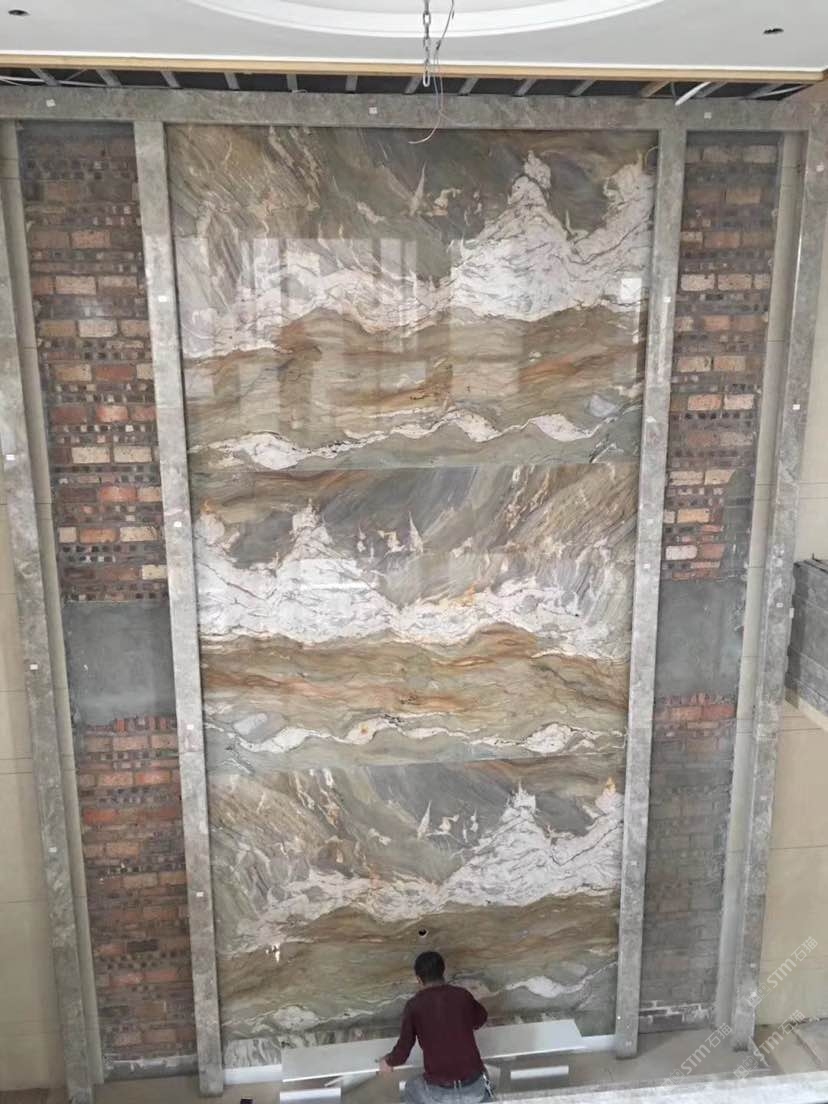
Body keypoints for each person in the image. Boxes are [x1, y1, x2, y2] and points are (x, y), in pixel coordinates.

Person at [379, 951, 493, 1104]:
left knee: (411, 1087)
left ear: (419, 979)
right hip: (475, 1090)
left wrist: (388, 1061)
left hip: (440, 1094)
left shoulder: (414, 1005)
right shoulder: (462, 995)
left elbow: (403, 1052)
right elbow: (481, 1019)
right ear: (442, 972)